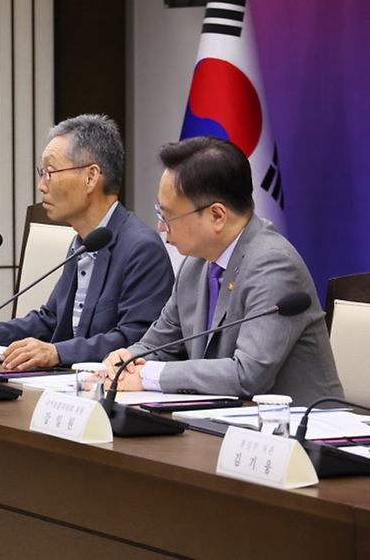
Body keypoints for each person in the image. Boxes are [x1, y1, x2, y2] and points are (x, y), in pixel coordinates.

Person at [0, 114, 174, 370]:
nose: (41, 186)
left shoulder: (141, 247)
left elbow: (137, 339)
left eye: (50, 172)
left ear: (91, 177)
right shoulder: (83, 241)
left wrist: (57, 352)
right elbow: (50, 319)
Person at [103, 136, 343, 406]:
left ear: (217, 215)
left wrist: (149, 375)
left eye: (167, 216)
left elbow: (248, 374)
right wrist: (125, 362)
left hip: (302, 434)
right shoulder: (196, 264)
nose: (160, 227)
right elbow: (156, 345)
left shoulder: (274, 265)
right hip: (223, 423)